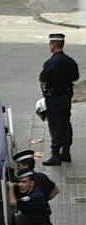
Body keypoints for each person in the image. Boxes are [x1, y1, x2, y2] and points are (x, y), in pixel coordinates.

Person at [39, 33, 80, 166]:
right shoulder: (70, 61)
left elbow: (43, 78)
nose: (49, 46)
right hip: (66, 97)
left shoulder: (50, 62)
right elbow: (75, 77)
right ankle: (66, 152)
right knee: (65, 123)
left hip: (54, 98)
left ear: (54, 45)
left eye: (50, 43)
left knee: (55, 125)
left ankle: (55, 155)